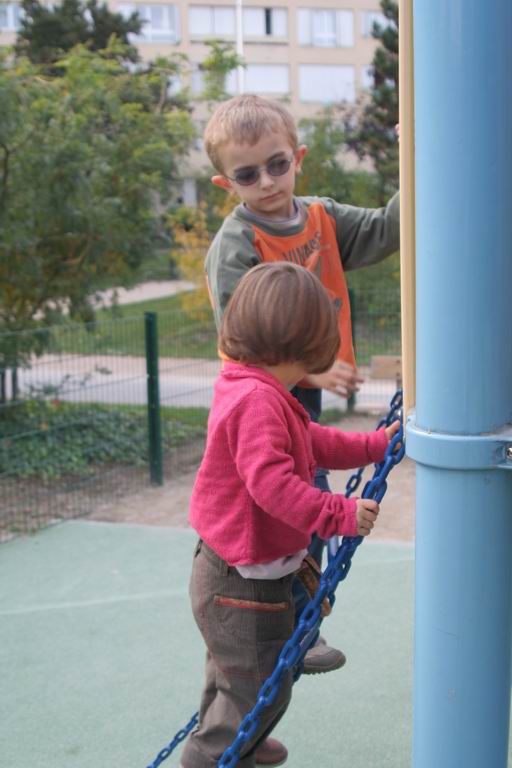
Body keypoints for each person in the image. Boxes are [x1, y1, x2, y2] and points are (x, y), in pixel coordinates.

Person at [202, 94, 400, 679]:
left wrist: (418, 156)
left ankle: (296, 619)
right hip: (261, 391)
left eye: (277, 164)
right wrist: (313, 368)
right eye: (247, 174)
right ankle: (289, 625)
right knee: (290, 495)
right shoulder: (236, 244)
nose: (266, 181)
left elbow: (390, 228)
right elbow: (242, 337)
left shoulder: (322, 219)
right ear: (226, 183)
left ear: (298, 158)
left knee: (308, 469)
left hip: (298, 390)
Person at [181, 263, 400, 768]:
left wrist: (372, 445)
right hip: (241, 583)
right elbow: (272, 486)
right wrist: (337, 512)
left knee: (235, 677)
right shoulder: (257, 401)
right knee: (262, 684)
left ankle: (242, 739)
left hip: (239, 572)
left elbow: (311, 440)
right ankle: (217, 754)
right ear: (303, 347)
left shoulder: (257, 387)